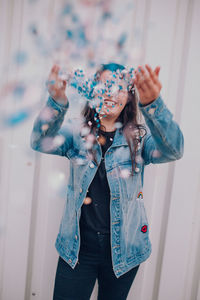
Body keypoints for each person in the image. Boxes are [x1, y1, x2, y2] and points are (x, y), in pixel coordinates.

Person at [30, 62, 184, 300]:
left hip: (124, 251)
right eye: (104, 85)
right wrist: (56, 101)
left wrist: (153, 105)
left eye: (120, 87)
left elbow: (173, 150)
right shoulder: (76, 133)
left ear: (129, 97)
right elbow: (40, 141)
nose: (112, 92)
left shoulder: (140, 139)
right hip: (78, 252)